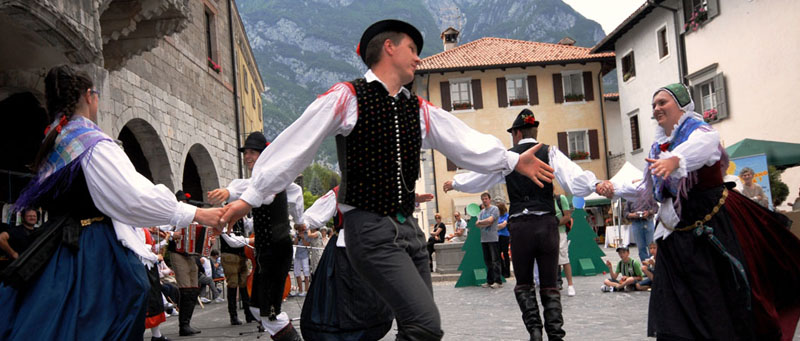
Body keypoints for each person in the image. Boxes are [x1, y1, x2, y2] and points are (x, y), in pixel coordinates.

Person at [219, 19, 556, 340]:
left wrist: (512, 160)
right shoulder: (348, 97)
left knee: (418, 326)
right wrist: (251, 196)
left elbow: (464, 141)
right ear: (389, 48)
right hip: (368, 227)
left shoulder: (418, 109)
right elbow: (297, 143)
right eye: (412, 48)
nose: (418, 57)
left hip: (407, 229)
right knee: (421, 322)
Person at [0, 65, 222, 340]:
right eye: (96, 93)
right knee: (120, 302)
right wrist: (198, 213)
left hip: (58, 246)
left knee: (62, 316)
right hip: (93, 244)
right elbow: (133, 197)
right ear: (88, 96)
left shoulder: (56, 137)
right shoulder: (90, 142)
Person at [595, 83, 800, 339]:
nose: (657, 108)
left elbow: (703, 146)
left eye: (663, 102)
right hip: (674, 236)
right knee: (674, 307)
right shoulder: (657, 148)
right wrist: (613, 187)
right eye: (654, 105)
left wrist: (676, 160)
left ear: (682, 105)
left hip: (712, 229)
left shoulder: (700, 131)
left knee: (716, 299)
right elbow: (648, 187)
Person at [443, 108, 603, 340]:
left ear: (516, 133)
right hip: (547, 224)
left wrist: (457, 182)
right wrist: (595, 184)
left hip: (520, 227)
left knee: (524, 283)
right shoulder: (551, 152)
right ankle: (556, 335)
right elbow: (574, 178)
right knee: (550, 283)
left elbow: (482, 177)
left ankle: (535, 333)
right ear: (534, 131)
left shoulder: (509, 157)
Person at [207, 131, 301, 330]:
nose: (248, 157)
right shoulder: (262, 180)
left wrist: (230, 192)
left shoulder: (269, 177)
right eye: (246, 153)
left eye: (253, 153)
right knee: (259, 308)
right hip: (267, 251)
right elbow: (260, 191)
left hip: (275, 250)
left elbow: (257, 189)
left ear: (263, 155)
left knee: (269, 310)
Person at [476, 193, 503, 288]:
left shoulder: (494, 209)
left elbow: (491, 220)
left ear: (489, 199)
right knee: (488, 261)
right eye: (483, 199)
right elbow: (477, 224)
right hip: (484, 239)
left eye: (486, 198)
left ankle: (498, 281)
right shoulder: (481, 212)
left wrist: (482, 222)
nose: (484, 200)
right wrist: (484, 223)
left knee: (495, 260)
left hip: (493, 238)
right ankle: (490, 280)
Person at [554, 193, 575, 297]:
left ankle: (570, 285)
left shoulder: (560, 199)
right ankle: (553, 284)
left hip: (560, 232)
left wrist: (555, 224)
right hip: (546, 233)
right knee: (550, 259)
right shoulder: (541, 200)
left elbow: (567, 216)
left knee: (564, 258)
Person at [293, 223, 311, 297]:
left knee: (306, 273)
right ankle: (300, 290)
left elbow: (307, 244)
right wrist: (297, 237)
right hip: (297, 255)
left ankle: (306, 290)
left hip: (305, 255)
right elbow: (295, 243)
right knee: (297, 273)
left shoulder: (307, 234)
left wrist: (303, 238)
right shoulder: (296, 234)